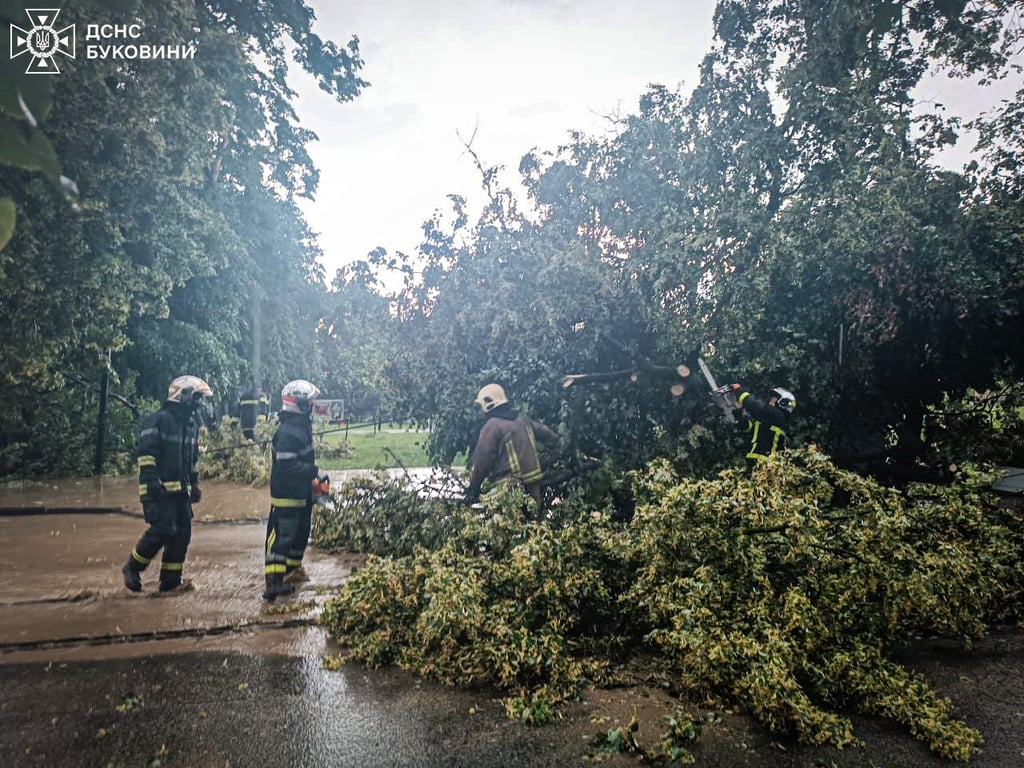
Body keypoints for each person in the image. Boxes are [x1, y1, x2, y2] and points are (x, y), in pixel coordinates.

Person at [122, 375, 212, 594]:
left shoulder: (190, 426)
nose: (198, 403)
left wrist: (194, 484)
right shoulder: (158, 420)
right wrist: (152, 479)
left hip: (180, 493)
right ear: (182, 395)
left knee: (182, 534)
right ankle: (132, 567)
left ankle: (171, 581)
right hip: (158, 491)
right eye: (196, 397)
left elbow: (191, 461)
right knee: (163, 529)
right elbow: (146, 454)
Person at [263, 378, 329, 601]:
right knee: (283, 539)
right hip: (286, 496)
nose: (311, 405)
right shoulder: (288, 431)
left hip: (301, 494)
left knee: (300, 536)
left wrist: (315, 482)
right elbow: (287, 464)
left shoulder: (300, 426)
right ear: (297, 403)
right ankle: (273, 584)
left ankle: (292, 572)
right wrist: (313, 471)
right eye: (308, 402)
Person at [465, 383, 559, 506]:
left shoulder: (492, 426)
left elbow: (482, 461)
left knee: (506, 524)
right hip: (533, 485)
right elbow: (549, 435)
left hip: (507, 488)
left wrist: (474, 488)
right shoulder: (522, 420)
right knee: (534, 521)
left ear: (487, 404)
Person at [731, 384, 797, 467]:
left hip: (765, 464)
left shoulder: (778, 416)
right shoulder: (770, 420)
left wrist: (740, 392)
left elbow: (756, 405)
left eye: (774, 398)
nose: (770, 400)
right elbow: (751, 430)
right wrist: (740, 418)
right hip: (756, 464)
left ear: (783, 402)